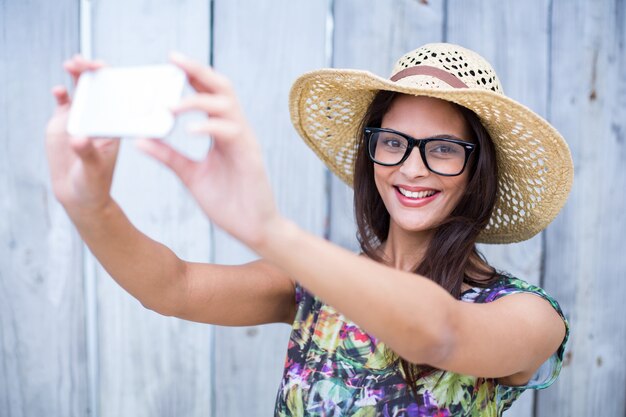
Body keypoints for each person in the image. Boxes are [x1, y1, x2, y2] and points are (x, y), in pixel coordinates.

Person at [46, 43, 572, 416]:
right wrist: (89, 204)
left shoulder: (528, 314)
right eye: (393, 142)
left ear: (476, 171)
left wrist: (269, 230)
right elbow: (172, 287)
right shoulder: (316, 285)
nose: (412, 168)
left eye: (443, 149)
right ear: (372, 152)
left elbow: (440, 333)